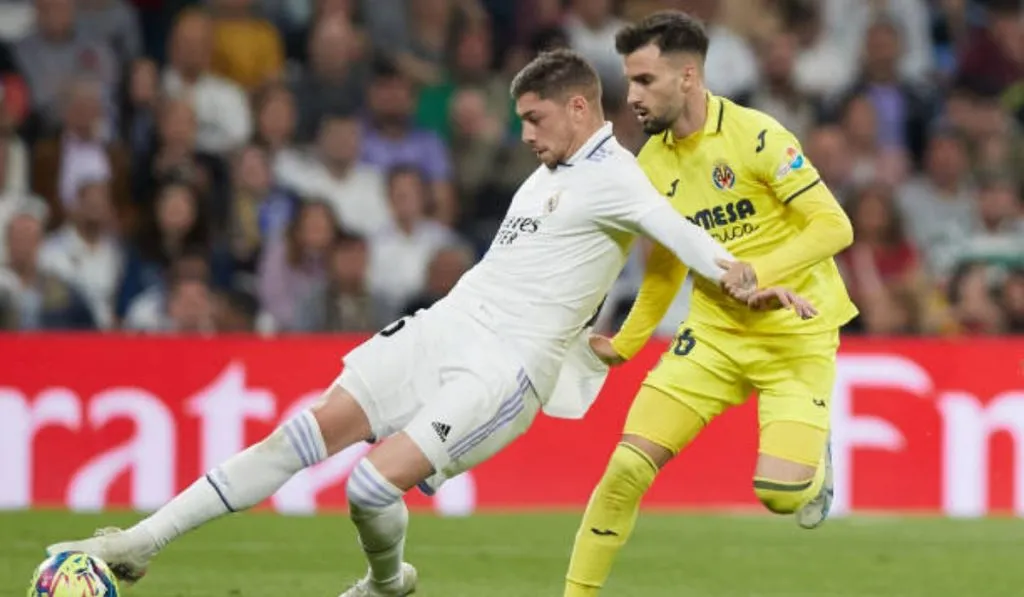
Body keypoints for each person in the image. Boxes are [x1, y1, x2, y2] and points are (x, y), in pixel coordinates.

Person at [47, 49, 813, 597]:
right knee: (298, 435)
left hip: (503, 371)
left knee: (369, 489)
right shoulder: (553, 170)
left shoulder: (618, 176)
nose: (524, 135)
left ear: (581, 107)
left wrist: (747, 279)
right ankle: (138, 542)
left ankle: (387, 586)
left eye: (535, 119)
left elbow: (677, 232)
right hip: (446, 325)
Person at [562, 12, 859, 597]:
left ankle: (813, 467)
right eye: (630, 81)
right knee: (625, 469)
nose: (633, 97)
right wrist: (623, 343)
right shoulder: (650, 164)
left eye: (645, 81)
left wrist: (759, 271)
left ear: (689, 77)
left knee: (780, 495)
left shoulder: (758, 136)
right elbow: (666, 266)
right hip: (715, 337)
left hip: (796, 334)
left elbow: (835, 226)